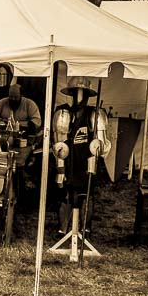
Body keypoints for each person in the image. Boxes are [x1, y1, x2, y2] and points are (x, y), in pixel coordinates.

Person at [53, 77, 98, 235]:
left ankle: (85, 228)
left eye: (83, 93)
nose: (79, 97)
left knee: (87, 196)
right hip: (68, 161)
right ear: (71, 94)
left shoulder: (94, 115)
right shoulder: (63, 114)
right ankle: (63, 228)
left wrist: (92, 167)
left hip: (86, 162)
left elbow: (100, 145)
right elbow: (59, 146)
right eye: (76, 93)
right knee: (66, 195)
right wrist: (60, 171)